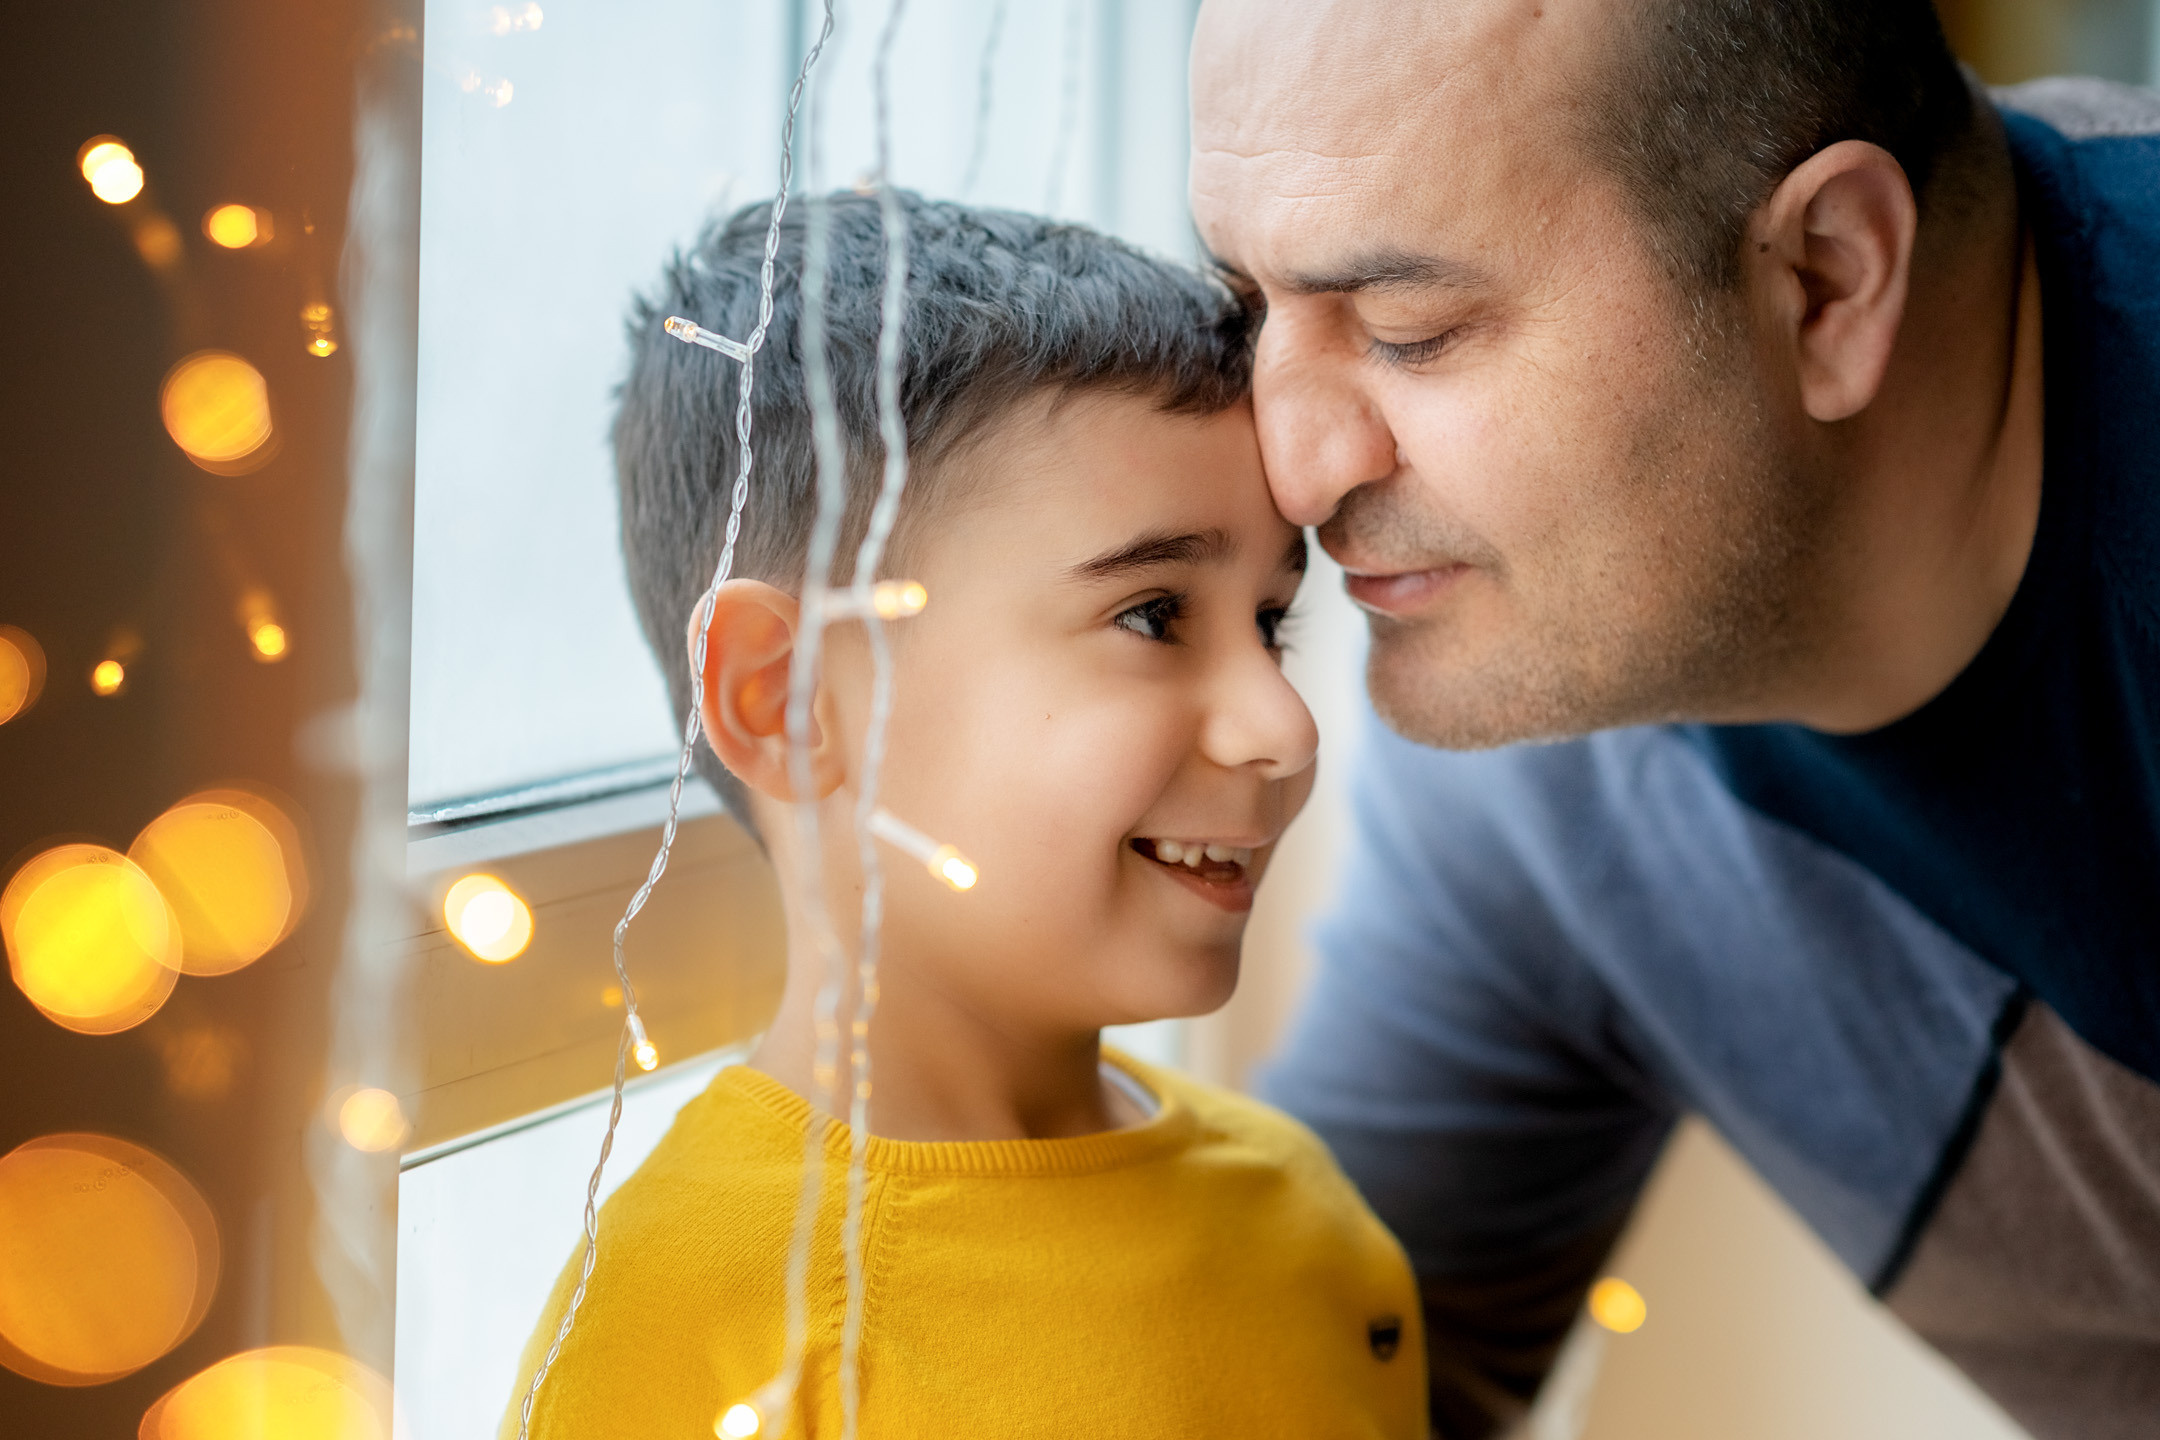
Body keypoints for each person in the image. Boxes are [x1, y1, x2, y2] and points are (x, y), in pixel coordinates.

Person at [1189, 2, 2160, 1437]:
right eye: (1246, 314)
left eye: (1412, 330)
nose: (1291, 465)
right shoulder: (1536, 756)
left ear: (1825, 280)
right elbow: (1336, 1387)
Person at [503, 193, 1429, 1439]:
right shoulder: (678, 1328)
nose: (1285, 725)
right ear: (786, 700)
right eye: (1153, 614)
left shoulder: (1312, 1225)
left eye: (1271, 620)